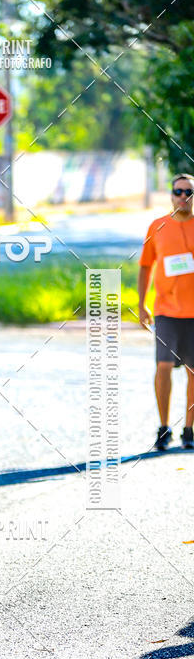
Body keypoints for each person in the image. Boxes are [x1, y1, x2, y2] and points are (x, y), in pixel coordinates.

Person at [139, 173, 194, 451]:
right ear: (171, 195)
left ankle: (189, 429)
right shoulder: (157, 226)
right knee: (163, 367)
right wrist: (141, 304)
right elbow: (146, 265)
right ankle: (164, 427)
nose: (183, 197)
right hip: (166, 311)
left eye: (189, 192)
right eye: (178, 192)